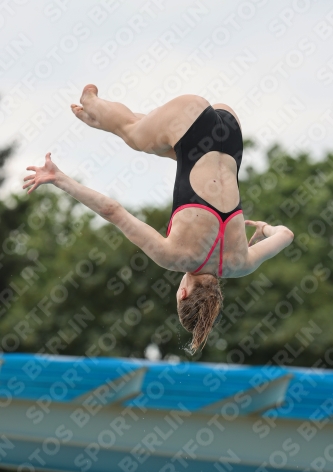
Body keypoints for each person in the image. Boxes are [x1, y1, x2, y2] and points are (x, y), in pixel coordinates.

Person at [23, 86, 294, 353]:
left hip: (230, 133)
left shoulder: (240, 264)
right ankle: (92, 102)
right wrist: (59, 179)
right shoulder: (174, 257)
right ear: (184, 294)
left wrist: (265, 228)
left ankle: (108, 120)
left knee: (156, 142)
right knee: (132, 133)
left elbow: (287, 235)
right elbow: (112, 211)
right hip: (192, 118)